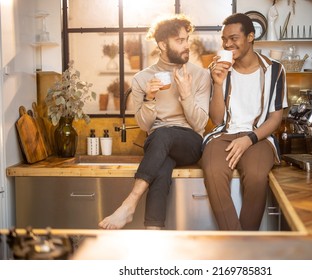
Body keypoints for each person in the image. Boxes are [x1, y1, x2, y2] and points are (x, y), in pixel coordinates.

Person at [99, 14, 211, 230]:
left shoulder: (199, 76)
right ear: (162, 44)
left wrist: (186, 95)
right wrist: (149, 98)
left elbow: (199, 124)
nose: (186, 45)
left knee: (163, 135)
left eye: (187, 39)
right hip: (158, 143)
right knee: (162, 166)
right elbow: (144, 125)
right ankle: (153, 232)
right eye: (180, 41)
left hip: (190, 142)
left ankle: (129, 203)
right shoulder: (142, 79)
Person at [201, 13, 288, 231]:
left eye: (233, 38)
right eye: (224, 39)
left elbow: (275, 118)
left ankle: (245, 240)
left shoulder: (275, 70)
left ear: (250, 36)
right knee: (212, 172)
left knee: (258, 176)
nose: (228, 44)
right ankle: (239, 243)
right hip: (223, 135)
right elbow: (216, 119)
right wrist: (218, 84)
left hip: (259, 137)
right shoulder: (219, 69)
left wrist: (249, 139)